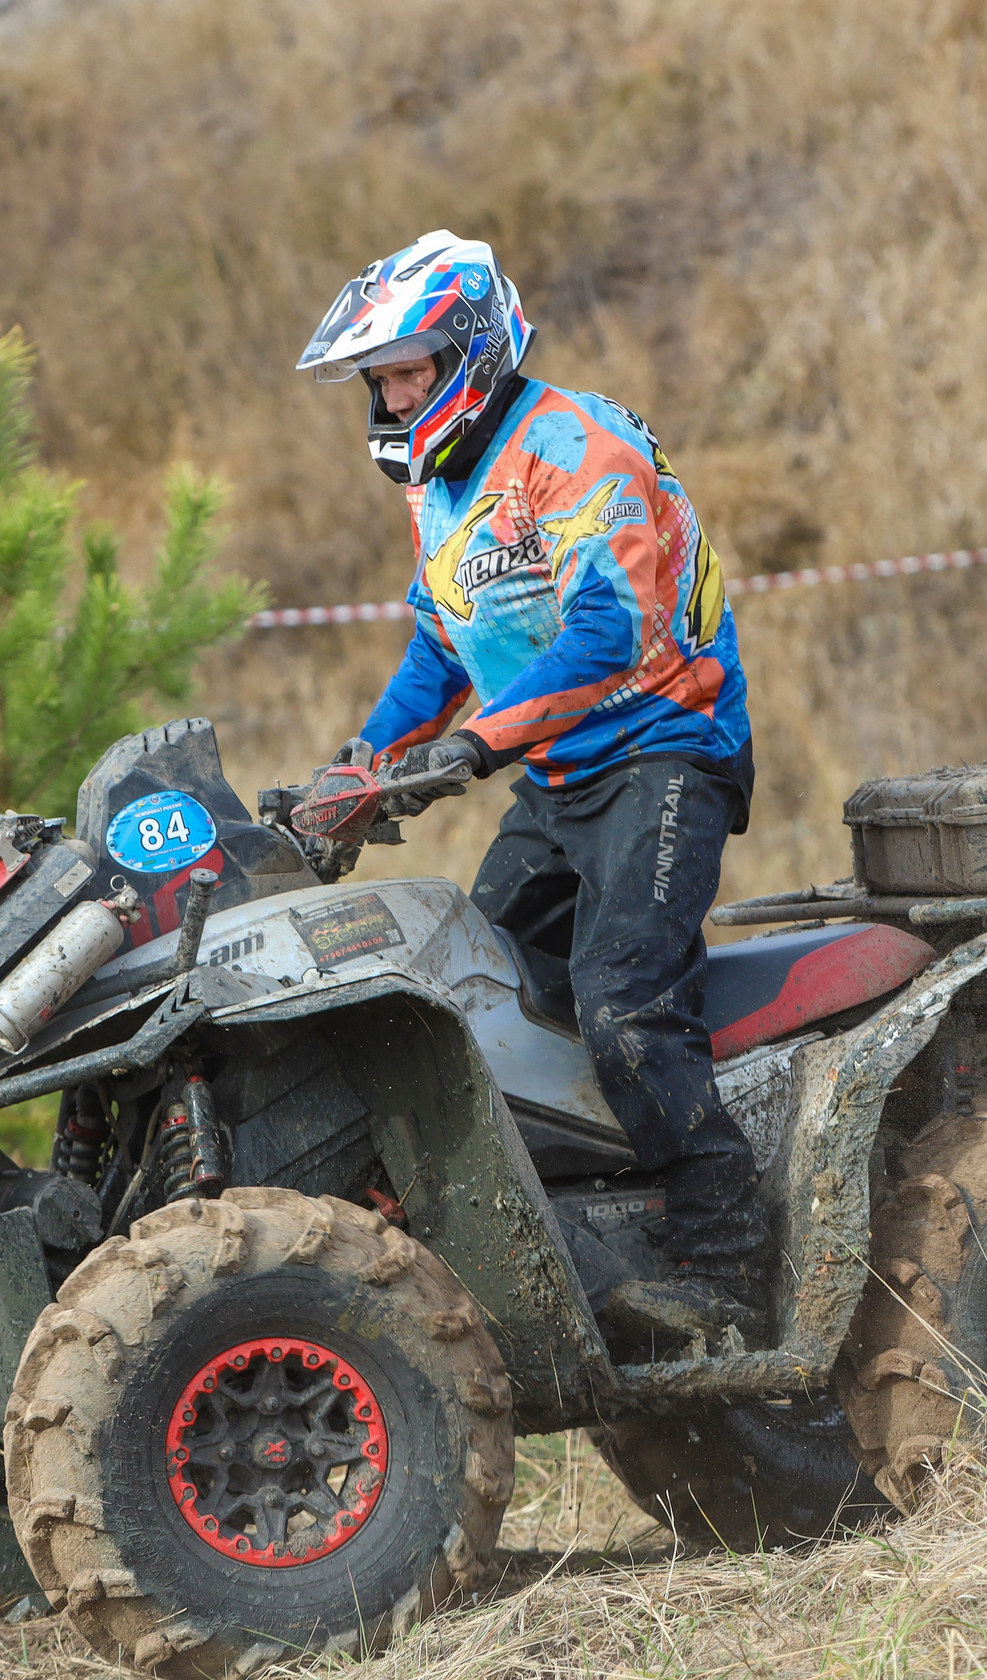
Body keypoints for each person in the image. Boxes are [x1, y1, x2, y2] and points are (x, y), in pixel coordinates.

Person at [295, 230, 773, 1347]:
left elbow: (614, 627)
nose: (392, 394)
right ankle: (589, 1237)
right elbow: (441, 644)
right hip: (556, 771)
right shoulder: (438, 479)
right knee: (469, 1003)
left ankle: (732, 1264)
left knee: (622, 1002)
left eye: (409, 370)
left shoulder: (574, 446)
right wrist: (355, 765)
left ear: (469, 347)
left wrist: (474, 749)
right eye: (380, 377)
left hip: (666, 747)